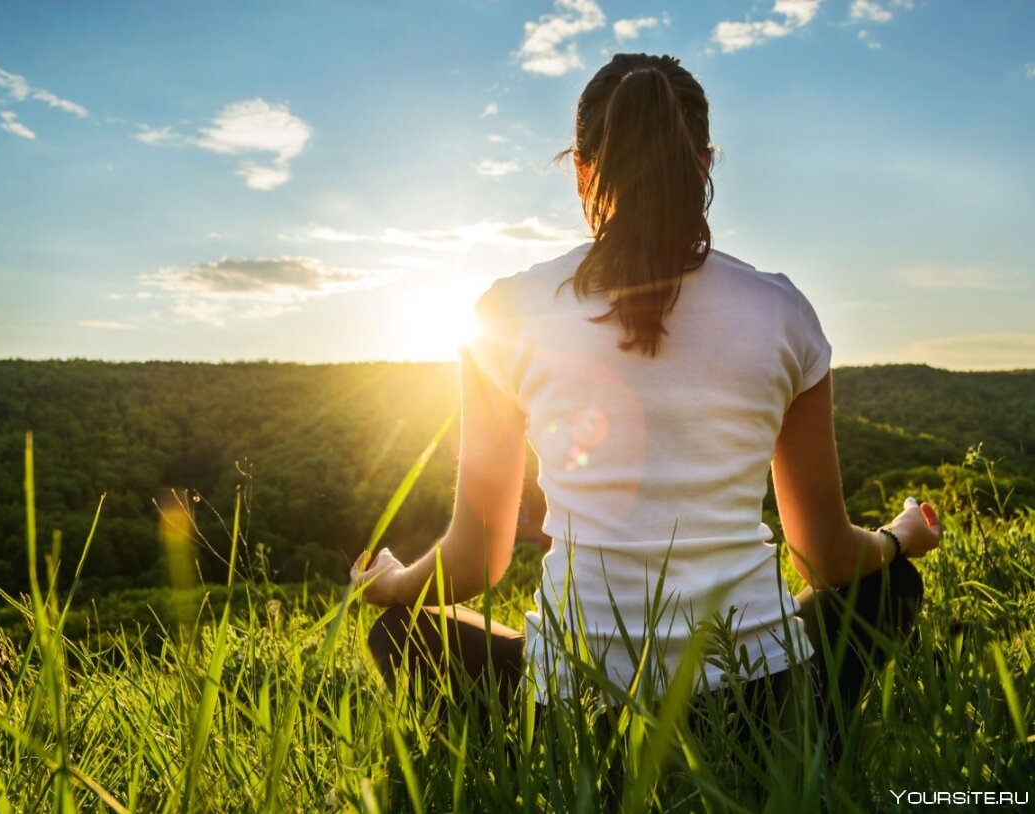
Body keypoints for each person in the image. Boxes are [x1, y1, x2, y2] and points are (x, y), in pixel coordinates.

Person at [352, 53, 941, 737]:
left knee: (402, 631)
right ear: (704, 163)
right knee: (883, 585)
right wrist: (899, 538)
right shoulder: (782, 311)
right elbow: (827, 560)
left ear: (581, 166)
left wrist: (389, 583)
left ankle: (531, 751)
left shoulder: (506, 313)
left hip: (574, 720)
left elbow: (475, 562)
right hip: (767, 712)